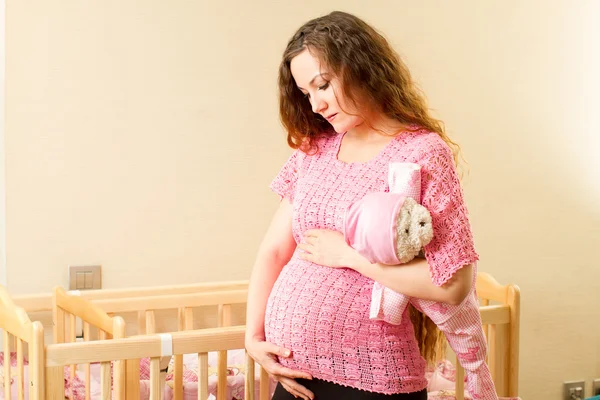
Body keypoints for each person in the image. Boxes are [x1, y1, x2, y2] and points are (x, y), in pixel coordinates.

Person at [245, 11, 486, 400]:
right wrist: (253, 338)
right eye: (306, 94)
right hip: (294, 375)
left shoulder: (421, 152)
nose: (316, 104)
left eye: (322, 85)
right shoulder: (315, 150)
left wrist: (350, 255)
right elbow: (274, 251)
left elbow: (455, 284)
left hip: (371, 381)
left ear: (360, 66)